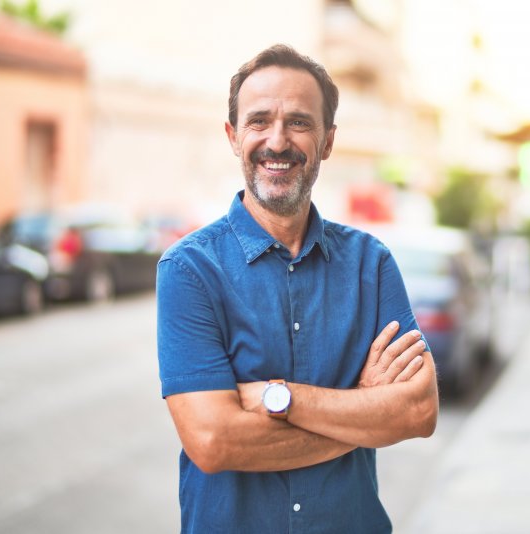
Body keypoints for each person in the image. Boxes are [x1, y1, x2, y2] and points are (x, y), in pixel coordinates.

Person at [156, 44, 439, 533]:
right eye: (259, 121)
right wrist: (361, 409)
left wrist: (277, 398)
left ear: (328, 140)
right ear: (233, 135)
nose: (278, 141)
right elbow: (212, 441)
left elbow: (417, 409)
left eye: (300, 123)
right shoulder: (189, 270)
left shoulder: (371, 265)